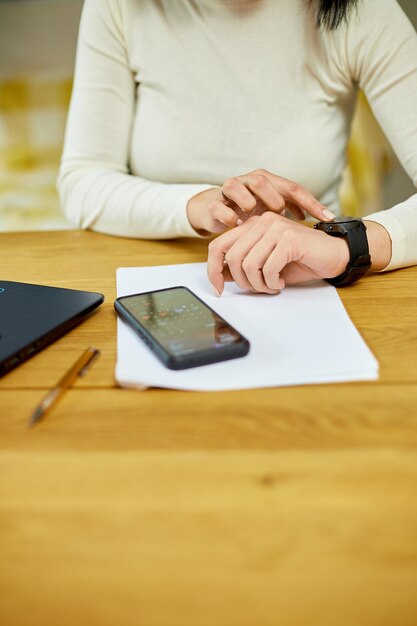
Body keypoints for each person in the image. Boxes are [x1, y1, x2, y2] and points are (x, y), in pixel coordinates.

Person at [58, 0, 417, 295]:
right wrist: (199, 205)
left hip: (310, 284)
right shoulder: (119, 6)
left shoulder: (364, 10)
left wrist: (346, 247)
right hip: (156, 280)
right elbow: (82, 181)